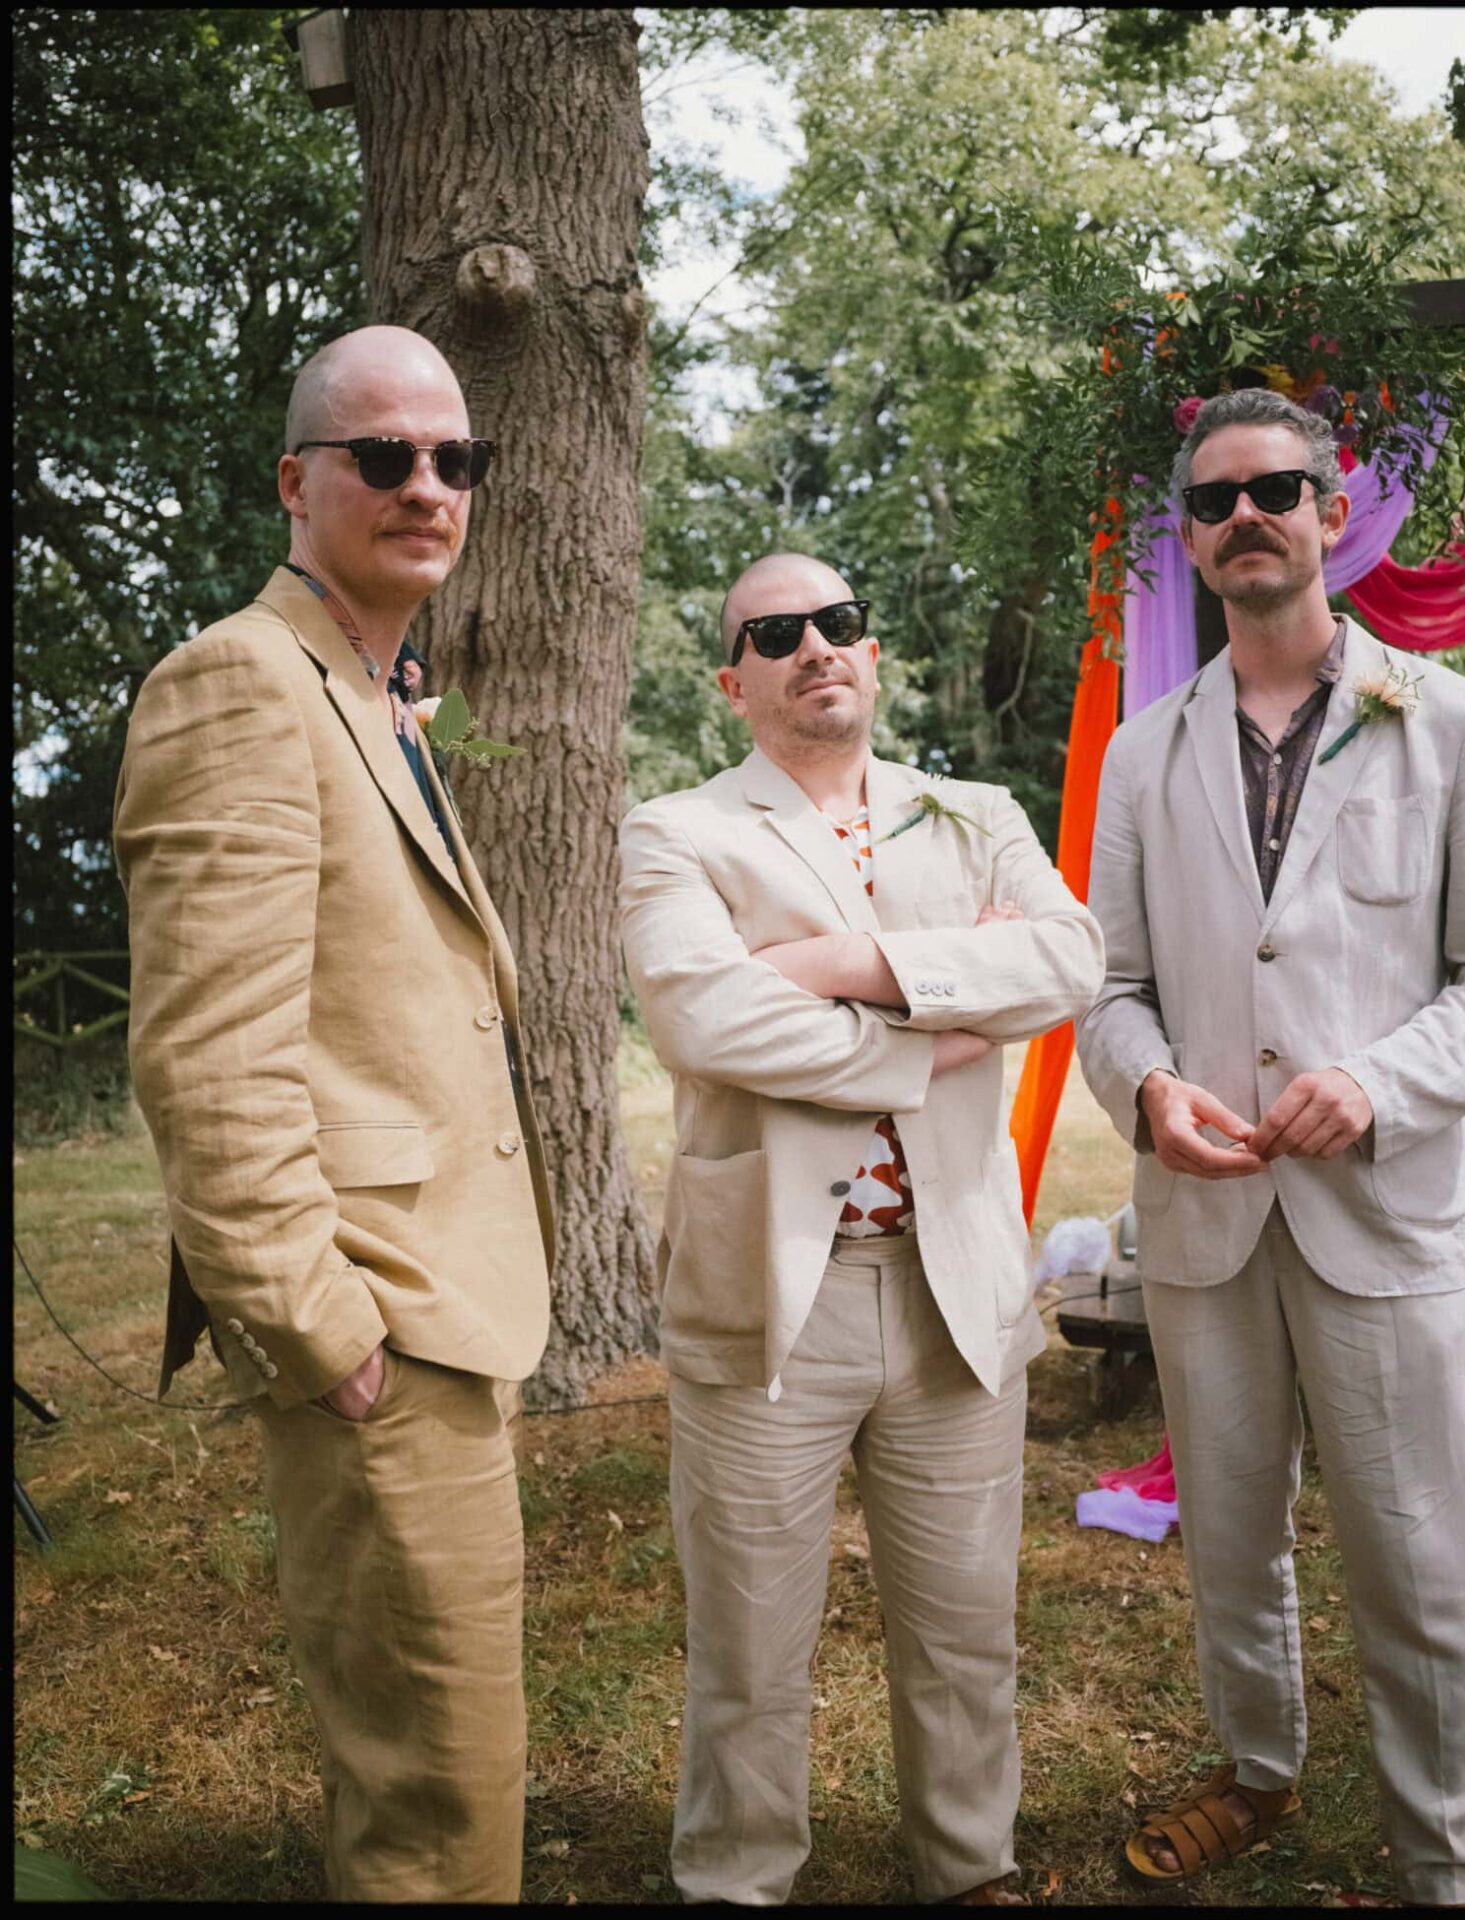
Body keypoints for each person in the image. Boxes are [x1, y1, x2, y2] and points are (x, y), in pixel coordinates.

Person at [113, 325, 556, 1902]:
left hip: (443, 1312)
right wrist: (322, 1333)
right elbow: (208, 1058)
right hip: (376, 1325)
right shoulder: (238, 683)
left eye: (454, 458)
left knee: (457, 1771)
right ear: (296, 483)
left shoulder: (370, 690)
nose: (426, 484)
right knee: (435, 1818)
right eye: (383, 455)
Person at [1076, 387, 1465, 1906]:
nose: (1245, 516)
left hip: (1379, 1208)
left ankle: (1442, 1856)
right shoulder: (1144, 752)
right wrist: (1149, 1092)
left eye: (1274, 489)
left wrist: (1382, 1085)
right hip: (1204, 1216)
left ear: (1333, 514)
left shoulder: (1450, 722)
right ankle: (1256, 1770)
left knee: (1418, 1553)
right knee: (1230, 1535)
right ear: (1193, 541)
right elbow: (1109, 987)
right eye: (1214, 501)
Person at [618, 552, 1105, 1906]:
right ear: (735, 684)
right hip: (771, 1294)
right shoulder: (676, 831)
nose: (815, 646)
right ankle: (737, 1881)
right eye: (776, 633)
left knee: (966, 1630)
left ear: (872, 654)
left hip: (957, 1286)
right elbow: (705, 1018)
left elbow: (1067, 960)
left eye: (838, 622)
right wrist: (935, 1037)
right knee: (748, 1650)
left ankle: (969, 1868)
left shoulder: (976, 813)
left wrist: (835, 967)